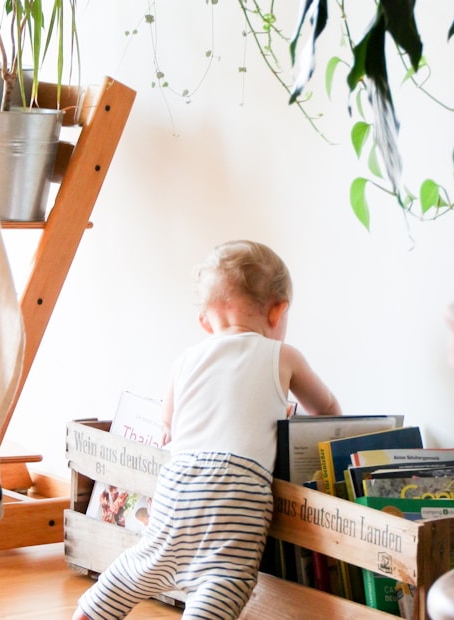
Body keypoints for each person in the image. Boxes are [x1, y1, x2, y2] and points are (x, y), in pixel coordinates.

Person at [73, 240, 341, 620]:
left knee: (147, 562)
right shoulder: (283, 355)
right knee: (225, 578)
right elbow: (326, 410)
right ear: (278, 311)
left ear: (205, 321)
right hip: (238, 489)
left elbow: (168, 425)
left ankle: (91, 612)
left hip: (179, 482)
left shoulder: (184, 360)